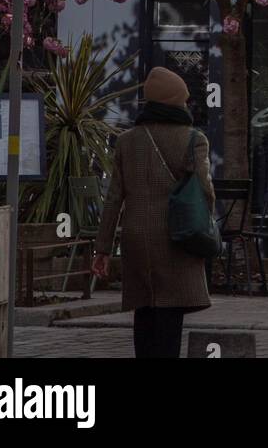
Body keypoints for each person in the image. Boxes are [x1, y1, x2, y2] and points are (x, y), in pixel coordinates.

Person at [93, 66, 215, 358]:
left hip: (135, 236)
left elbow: (113, 198)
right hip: (174, 235)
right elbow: (205, 189)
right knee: (170, 314)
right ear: (176, 101)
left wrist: (102, 249)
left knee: (144, 310)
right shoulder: (193, 139)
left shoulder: (126, 141)